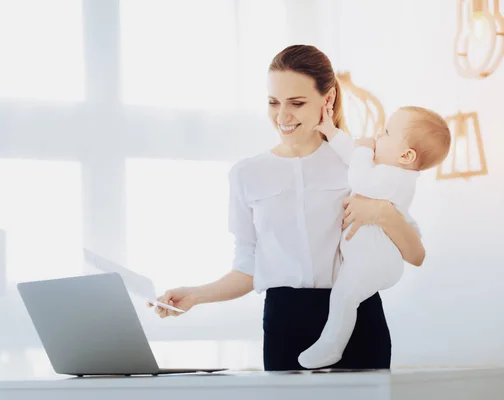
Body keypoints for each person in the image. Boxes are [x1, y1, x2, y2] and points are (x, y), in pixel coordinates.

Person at [148, 44, 426, 371]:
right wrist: (196, 295)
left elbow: (415, 254)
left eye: (296, 103)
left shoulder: (357, 163)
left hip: (357, 318)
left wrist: (382, 213)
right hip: (285, 321)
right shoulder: (247, 174)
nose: (282, 116)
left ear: (328, 100)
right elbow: (248, 270)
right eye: (273, 102)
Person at [297, 105, 451, 369]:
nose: (379, 134)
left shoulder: (394, 176)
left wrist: (364, 149)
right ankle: (330, 343)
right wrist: (332, 132)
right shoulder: (388, 169)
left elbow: (359, 173)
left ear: (406, 155)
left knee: (344, 297)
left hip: (375, 260)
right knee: (345, 296)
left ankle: (331, 345)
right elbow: (352, 155)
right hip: (370, 257)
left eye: (387, 132)